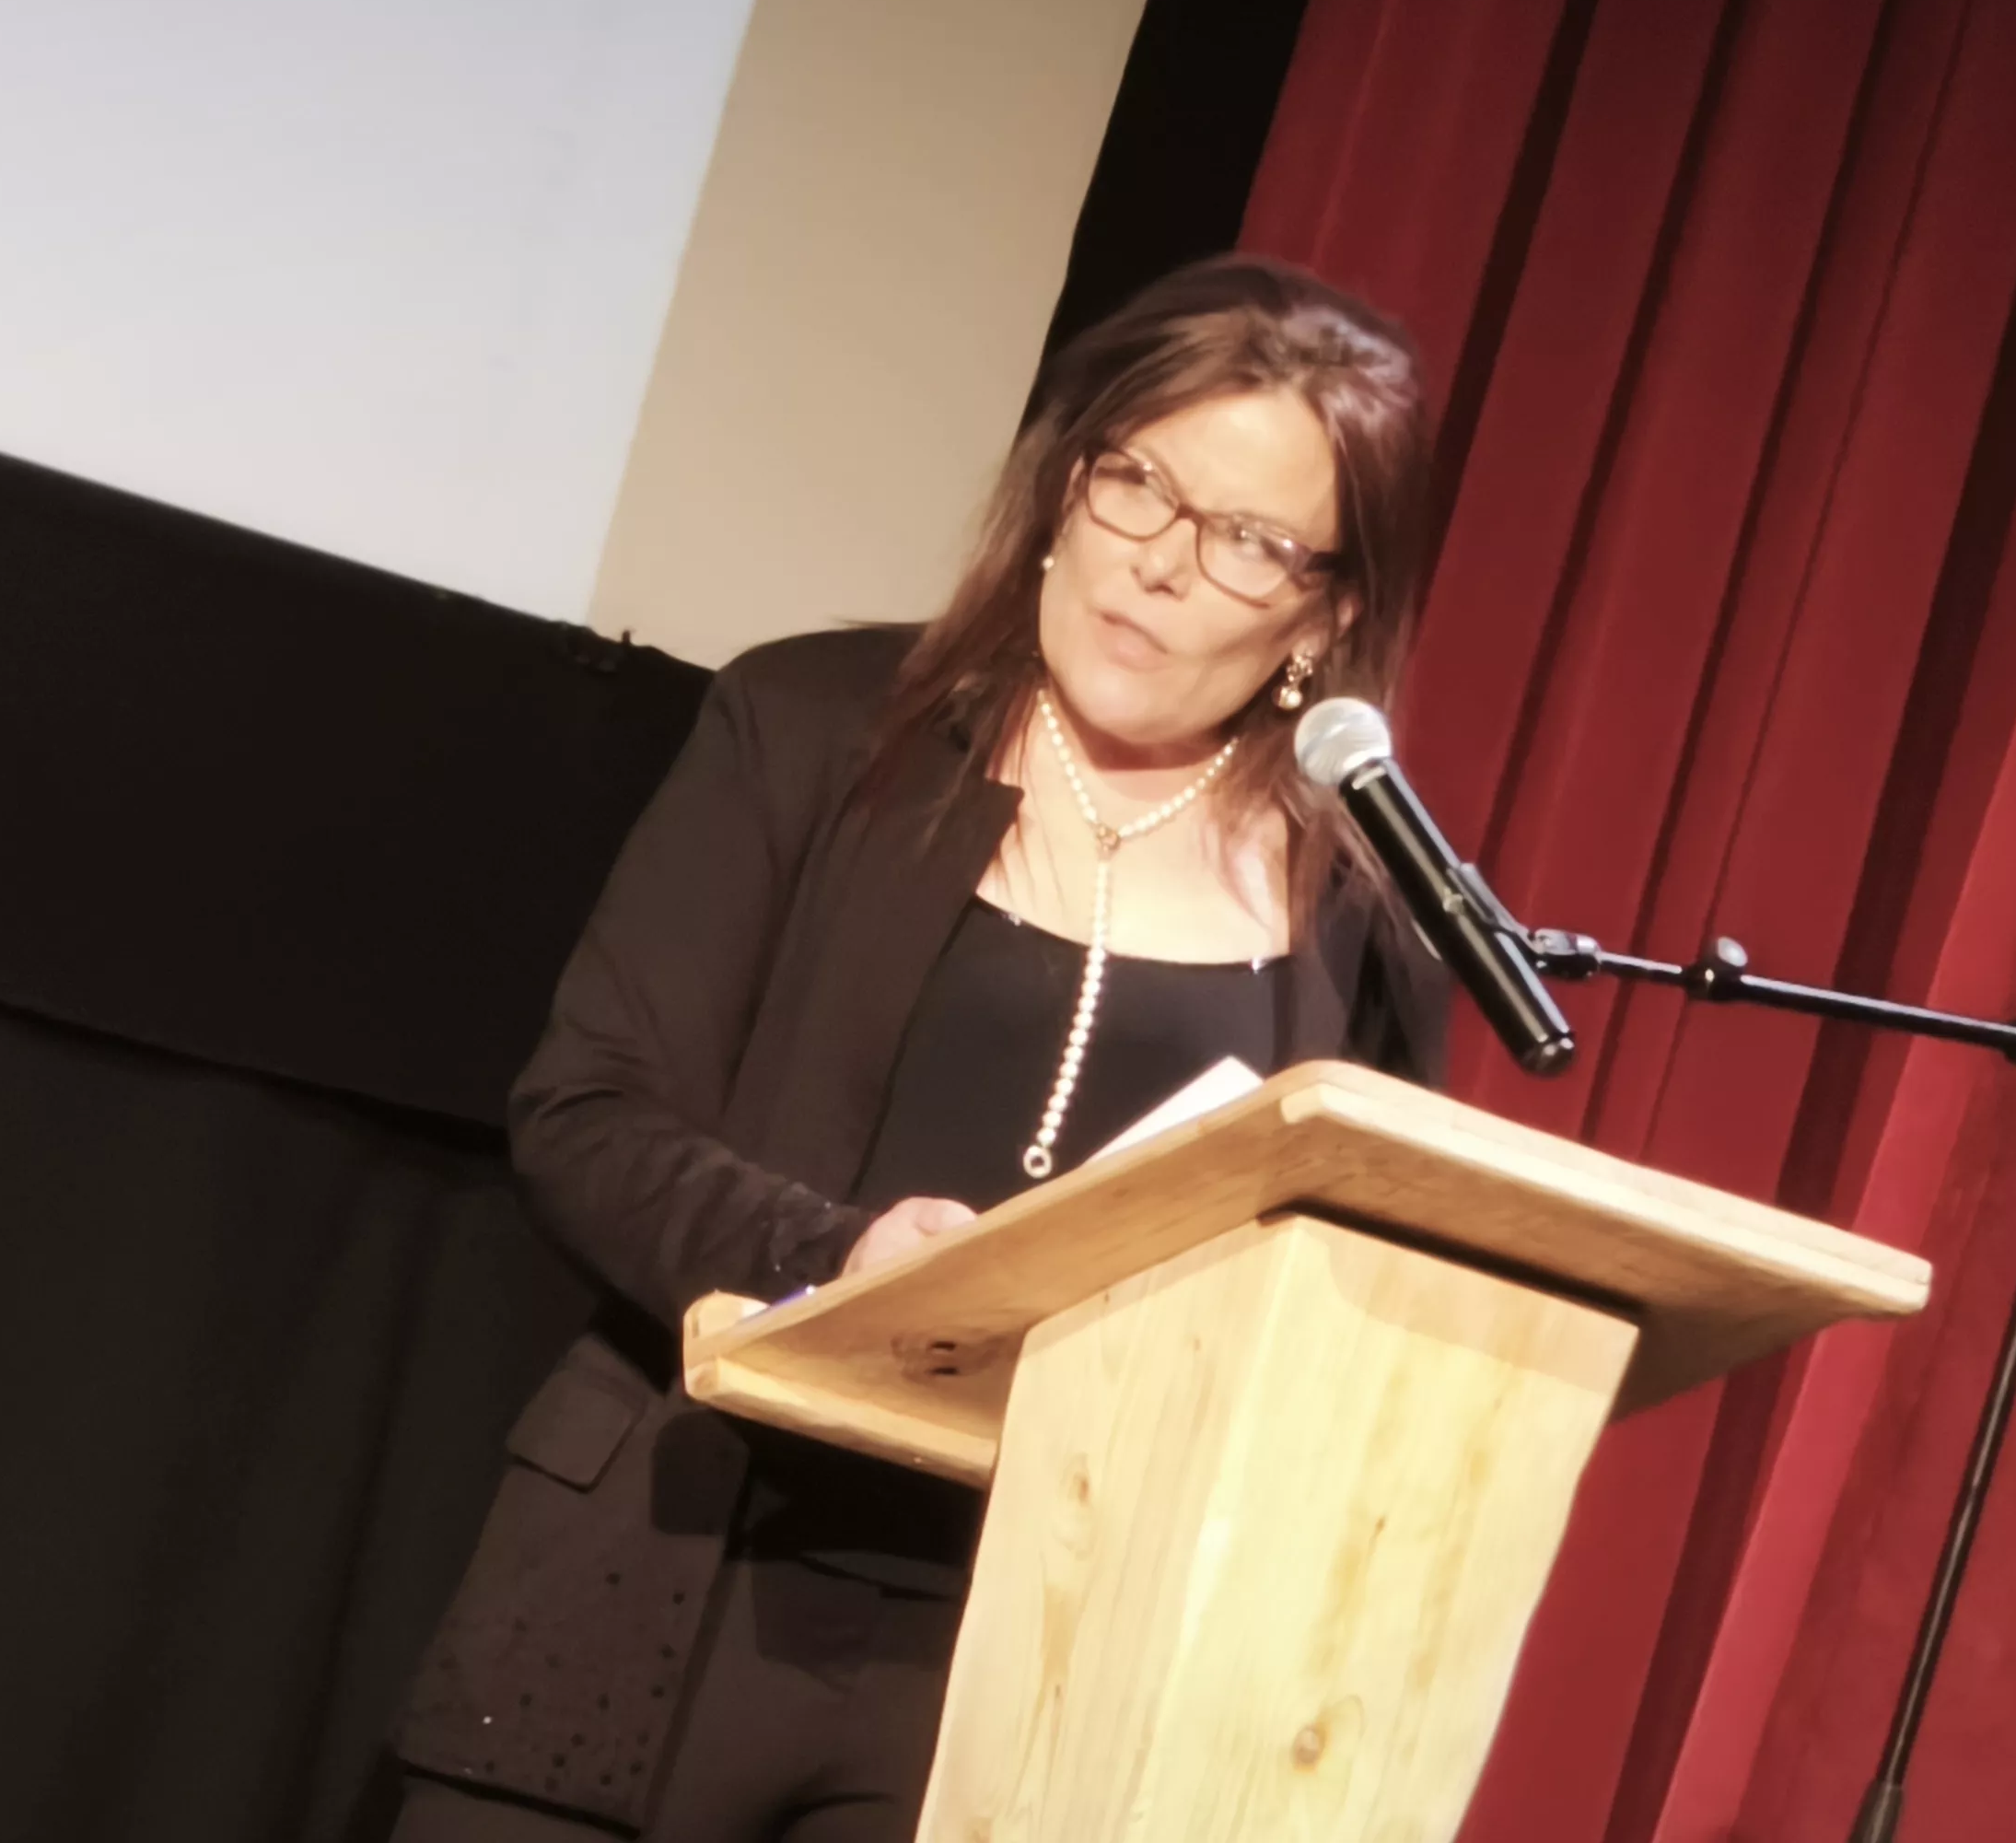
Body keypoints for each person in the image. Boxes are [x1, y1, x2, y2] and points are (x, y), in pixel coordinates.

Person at [384, 256, 1449, 1841]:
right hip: (674, 1567)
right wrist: (841, 1256)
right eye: (1138, 482)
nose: (1157, 562)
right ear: (1066, 482)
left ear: (1330, 605)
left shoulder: (1359, 913)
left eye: (1244, 541)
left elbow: (1347, 1320)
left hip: (1036, 1668)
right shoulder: (817, 728)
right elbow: (587, 1110)